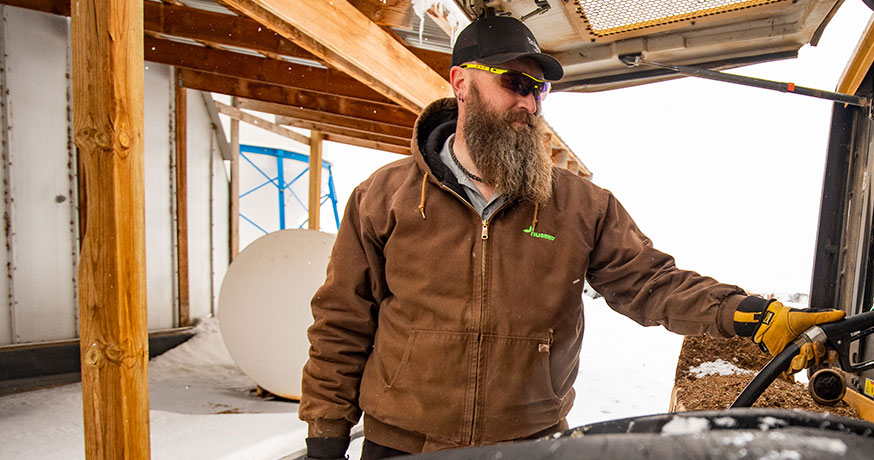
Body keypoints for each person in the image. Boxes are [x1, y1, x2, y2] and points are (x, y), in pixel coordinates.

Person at [298, 15, 845, 460]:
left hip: (530, 445)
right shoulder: (384, 195)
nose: (530, 104)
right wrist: (325, 435)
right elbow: (343, 321)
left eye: (539, 90)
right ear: (461, 82)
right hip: (402, 444)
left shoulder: (580, 205)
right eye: (514, 83)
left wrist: (750, 313)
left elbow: (650, 283)